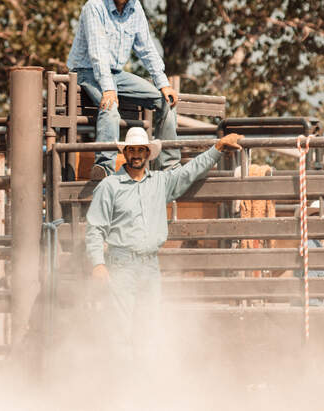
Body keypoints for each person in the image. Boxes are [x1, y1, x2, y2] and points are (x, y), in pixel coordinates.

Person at [85, 127, 243, 348]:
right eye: (132, 150)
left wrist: (217, 148)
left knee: (150, 324)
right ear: (126, 153)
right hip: (121, 264)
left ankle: (144, 374)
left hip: (149, 263)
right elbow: (95, 228)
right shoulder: (109, 186)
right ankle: (121, 377)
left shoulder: (160, 181)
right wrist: (98, 264)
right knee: (120, 327)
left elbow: (190, 171)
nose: (137, 154)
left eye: (141, 150)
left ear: (148, 154)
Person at [67, 0, 180, 180]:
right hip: (87, 71)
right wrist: (109, 90)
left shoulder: (135, 8)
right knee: (110, 107)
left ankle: (170, 164)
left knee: (165, 101)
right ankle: (104, 167)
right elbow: (97, 53)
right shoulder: (95, 7)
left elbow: (147, 49)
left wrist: (164, 84)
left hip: (116, 74)